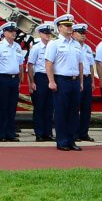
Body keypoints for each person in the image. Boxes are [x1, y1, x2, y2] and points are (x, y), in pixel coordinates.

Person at [45, 16, 85, 152]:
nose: (69, 28)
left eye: (70, 25)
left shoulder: (76, 44)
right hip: (61, 80)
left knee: (74, 112)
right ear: (59, 28)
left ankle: (71, 140)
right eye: (66, 25)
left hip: (74, 80)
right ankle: (62, 141)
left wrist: (81, 81)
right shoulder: (54, 44)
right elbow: (49, 63)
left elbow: (80, 64)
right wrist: (51, 81)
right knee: (61, 112)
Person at [0, 22, 24, 141]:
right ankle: (2, 134)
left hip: (14, 79)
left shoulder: (17, 46)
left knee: (12, 107)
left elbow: (20, 64)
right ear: (4, 33)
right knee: (3, 107)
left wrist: (20, 79)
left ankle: (10, 133)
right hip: (2, 78)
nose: (14, 33)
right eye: (11, 31)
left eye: (14, 31)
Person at [27, 19, 56, 143]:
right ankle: (39, 133)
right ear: (40, 34)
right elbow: (30, 65)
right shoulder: (36, 48)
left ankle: (48, 133)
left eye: (49, 33)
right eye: (45, 33)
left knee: (50, 107)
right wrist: (32, 82)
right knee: (40, 107)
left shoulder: (54, 46)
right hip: (40, 77)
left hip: (51, 77)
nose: (47, 35)